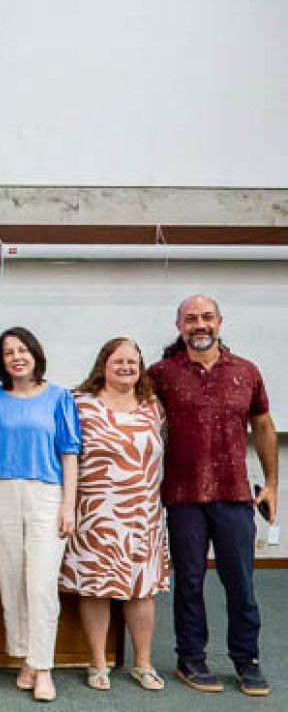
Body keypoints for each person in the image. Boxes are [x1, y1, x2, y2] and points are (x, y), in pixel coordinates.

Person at [149, 294, 278, 697]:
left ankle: (247, 660)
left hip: (235, 495)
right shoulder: (161, 374)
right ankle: (192, 658)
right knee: (188, 581)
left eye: (207, 317)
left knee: (240, 582)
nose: (199, 324)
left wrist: (272, 484)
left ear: (220, 322)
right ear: (179, 327)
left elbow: (263, 425)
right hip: (183, 497)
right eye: (191, 319)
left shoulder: (247, 372)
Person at [61, 337, 169, 692]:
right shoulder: (81, 403)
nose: (126, 367)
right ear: (103, 365)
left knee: (141, 591)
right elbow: (68, 454)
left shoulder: (153, 406)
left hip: (143, 515)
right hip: (96, 514)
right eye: (118, 361)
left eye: (132, 362)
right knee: (96, 588)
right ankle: (97, 663)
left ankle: (143, 663)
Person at [0, 326, 81, 702]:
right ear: (1, 361)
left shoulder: (58, 397)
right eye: (8, 352)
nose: (16, 357)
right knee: (11, 582)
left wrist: (68, 505)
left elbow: (69, 453)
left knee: (40, 586)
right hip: (4, 492)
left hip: (47, 494)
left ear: (36, 354)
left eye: (22, 349)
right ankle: (26, 659)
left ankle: (44, 668)